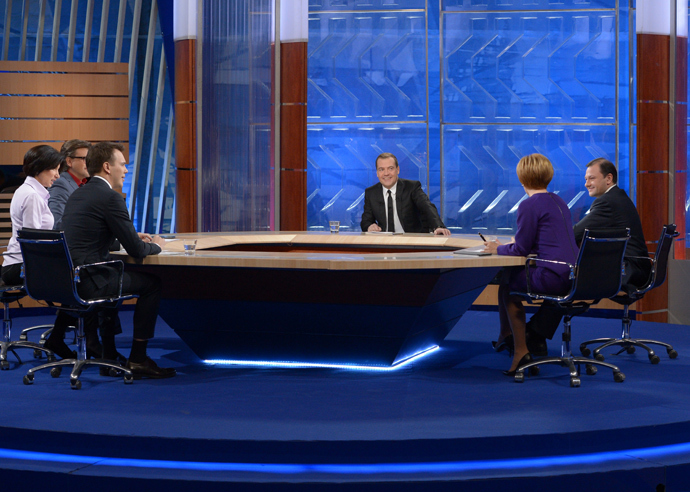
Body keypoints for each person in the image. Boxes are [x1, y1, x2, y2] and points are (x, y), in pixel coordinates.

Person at [61, 142, 175, 379]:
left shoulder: (78, 194)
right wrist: (157, 245)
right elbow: (137, 249)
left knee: (116, 275)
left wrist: (129, 238)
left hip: (69, 278)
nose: (125, 170)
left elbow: (92, 235)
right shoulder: (110, 197)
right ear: (106, 167)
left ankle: (109, 355)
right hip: (91, 280)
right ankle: (138, 358)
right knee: (151, 284)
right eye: (122, 164)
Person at [524, 157, 650, 355]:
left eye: (591, 178)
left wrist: (541, 243)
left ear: (608, 179)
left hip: (628, 272)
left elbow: (574, 234)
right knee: (569, 274)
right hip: (632, 268)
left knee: (565, 276)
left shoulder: (608, 203)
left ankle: (533, 334)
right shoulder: (616, 198)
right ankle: (535, 334)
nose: (586, 184)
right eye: (585, 179)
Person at [483, 154, 578, 375]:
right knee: (509, 282)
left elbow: (520, 250)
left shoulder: (529, 205)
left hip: (552, 276)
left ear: (521, 178)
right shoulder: (559, 201)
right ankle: (506, 337)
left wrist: (495, 248)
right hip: (572, 275)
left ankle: (520, 352)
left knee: (508, 286)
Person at [0, 145, 81, 360]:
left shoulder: (27, 191)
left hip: (17, 264)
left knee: (75, 278)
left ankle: (60, 336)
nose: (57, 175)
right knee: (78, 281)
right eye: (53, 169)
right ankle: (60, 338)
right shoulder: (33, 196)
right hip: (21, 267)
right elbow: (34, 242)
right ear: (39, 169)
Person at [361, 153, 451, 235]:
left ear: (398, 170)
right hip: (385, 244)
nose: (386, 173)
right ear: (377, 173)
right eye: (381, 169)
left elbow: (427, 207)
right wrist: (369, 226)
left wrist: (438, 226)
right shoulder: (371, 193)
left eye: (390, 168)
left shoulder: (412, 187)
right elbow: (366, 221)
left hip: (412, 241)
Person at [49, 139, 91, 230]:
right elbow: (56, 223)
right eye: (84, 159)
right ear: (69, 161)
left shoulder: (84, 184)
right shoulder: (60, 184)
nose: (89, 163)